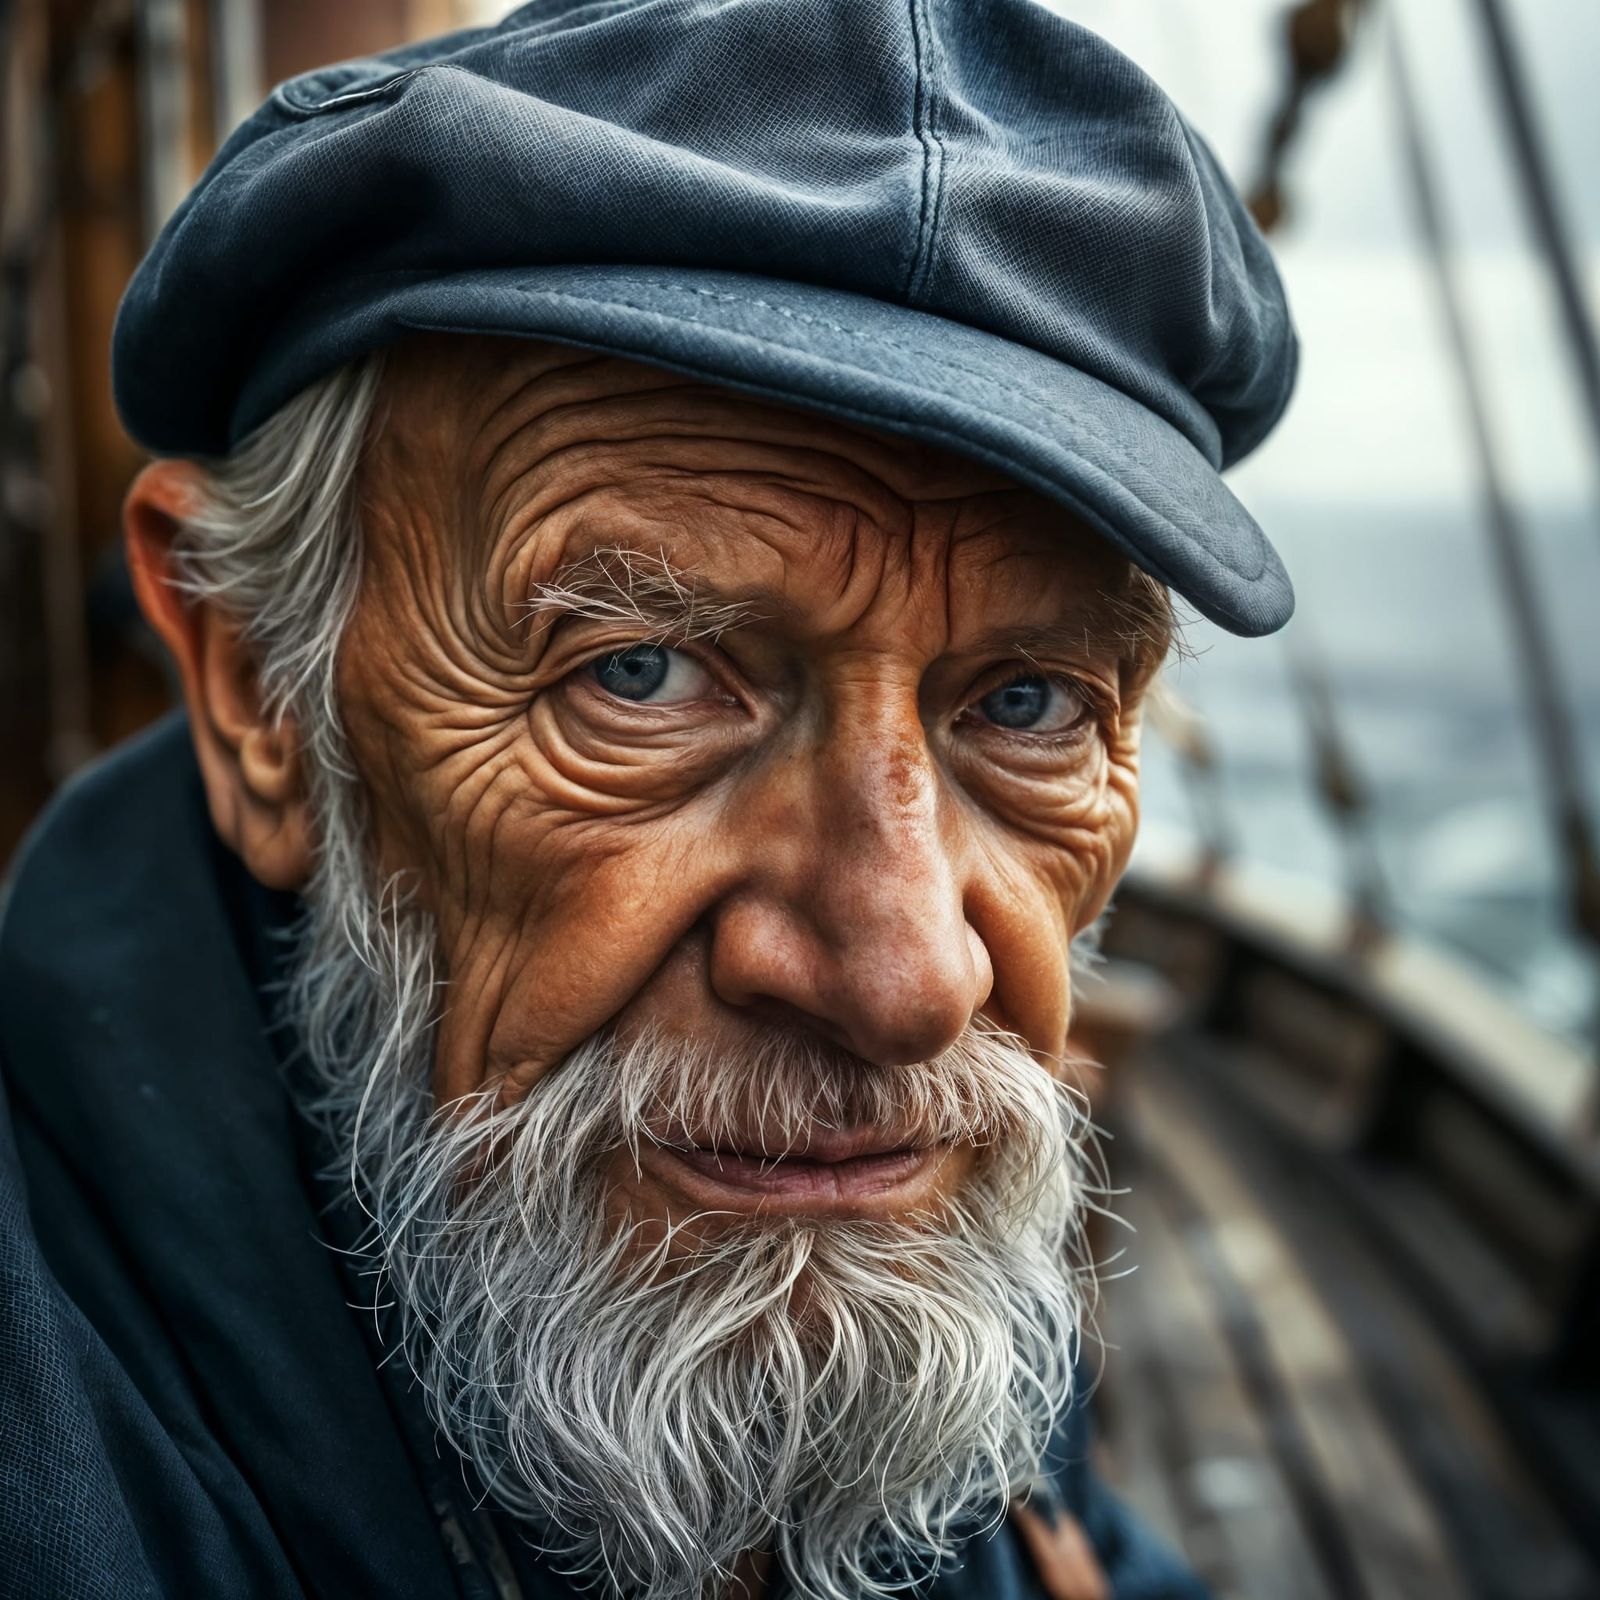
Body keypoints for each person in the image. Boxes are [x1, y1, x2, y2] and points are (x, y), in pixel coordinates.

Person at [0, 1, 1296, 1596]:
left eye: (1026, 705)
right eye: (642, 676)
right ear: (259, 687)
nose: (910, 983)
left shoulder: (866, 1216)